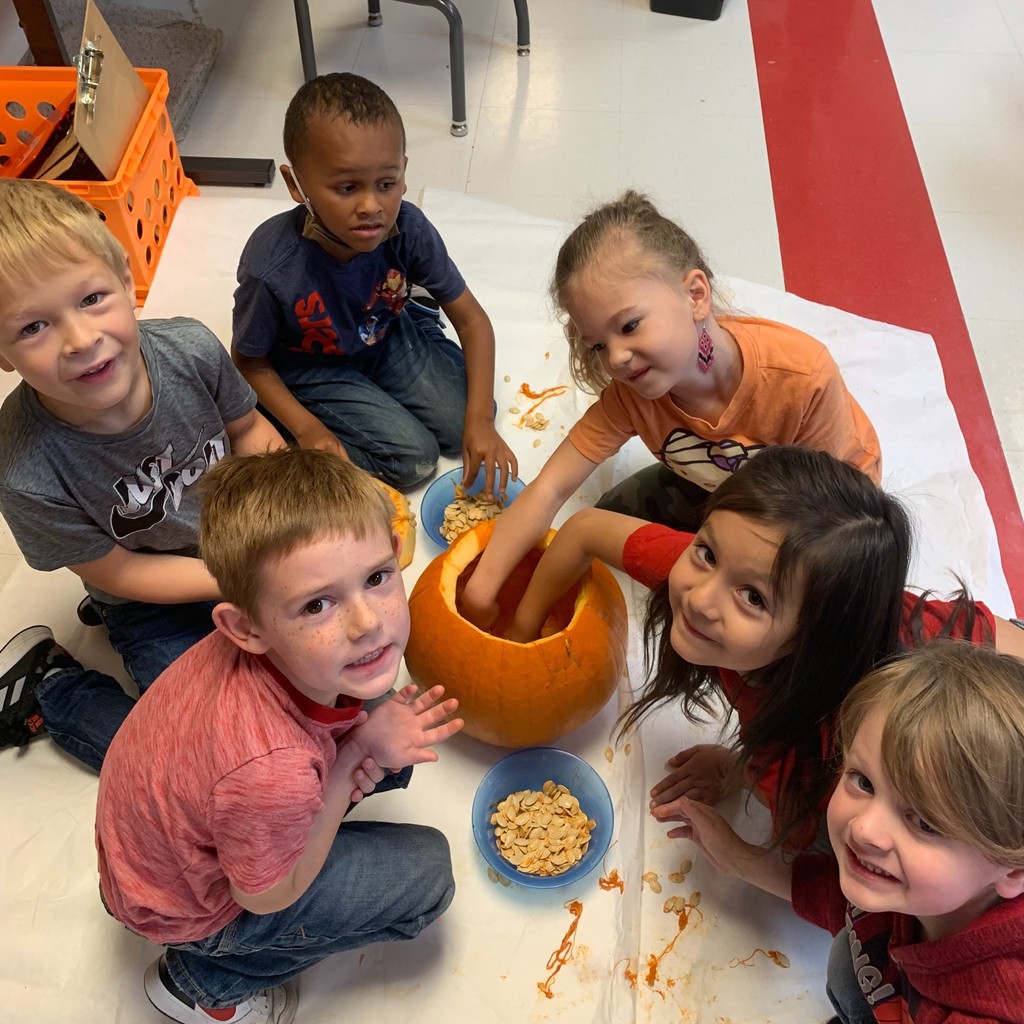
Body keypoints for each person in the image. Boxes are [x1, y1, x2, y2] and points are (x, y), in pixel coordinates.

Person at [96, 446, 463, 1024]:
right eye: (317, 604)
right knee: (429, 877)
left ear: (397, 555)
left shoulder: (267, 662)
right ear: (245, 628)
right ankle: (202, 981)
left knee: (382, 709)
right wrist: (353, 762)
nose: (368, 623)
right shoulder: (271, 772)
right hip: (195, 907)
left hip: (167, 837)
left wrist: (358, 750)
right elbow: (264, 896)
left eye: (376, 578)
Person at [502, 446, 1024, 849]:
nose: (700, 599)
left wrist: (745, 784)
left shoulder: (825, 755)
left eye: (753, 598)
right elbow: (587, 528)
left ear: (811, 641)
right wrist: (522, 637)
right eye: (705, 551)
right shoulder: (722, 575)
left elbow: (839, 872)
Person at [460, 191, 879, 626]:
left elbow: (827, 518)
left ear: (695, 295)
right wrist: (481, 588)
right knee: (607, 518)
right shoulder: (631, 395)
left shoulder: (804, 376)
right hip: (717, 483)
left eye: (629, 326)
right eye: (599, 345)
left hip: (820, 504)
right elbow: (549, 488)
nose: (616, 358)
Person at [0, 179, 284, 769]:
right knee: (199, 760)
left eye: (91, 299)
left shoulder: (191, 350)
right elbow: (121, 569)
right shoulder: (23, 470)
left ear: (129, 284)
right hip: (142, 598)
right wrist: (238, 580)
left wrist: (290, 522)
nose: (81, 340)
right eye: (33, 328)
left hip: (237, 542)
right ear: (3, 357)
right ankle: (54, 688)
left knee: (330, 697)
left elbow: (250, 431)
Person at [673, 642, 1024, 1024]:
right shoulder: (917, 890)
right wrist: (740, 860)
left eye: (924, 822)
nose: (864, 829)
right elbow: (853, 910)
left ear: (1014, 871)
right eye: (863, 781)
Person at [231, 71, 517, 495]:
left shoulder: (409, 228)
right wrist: (308, 429)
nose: (371, 206)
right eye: (346, 188)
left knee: (473, 418)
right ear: (296, 185)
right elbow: (249, 361)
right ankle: (290, 433)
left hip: (382, 333)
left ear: (403, 172)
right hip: (311, 366)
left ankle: (416, 320)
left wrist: (480, 422)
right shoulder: (271, 269)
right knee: (412, 459)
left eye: (387, 184)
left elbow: (473, 321)